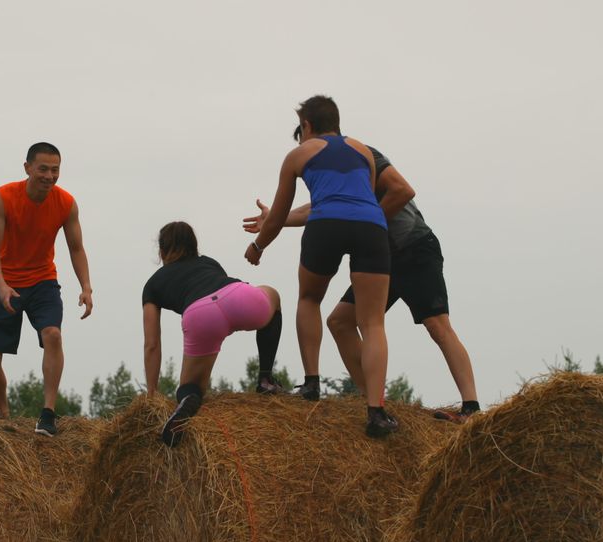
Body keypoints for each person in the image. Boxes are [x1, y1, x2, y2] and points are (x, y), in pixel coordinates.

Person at [244, 128, 481, 421]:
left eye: (304, 142)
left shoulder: (362, 155)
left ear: (310, 134)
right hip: (381, 257)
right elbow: (320, 211)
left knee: (438, 325)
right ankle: (373, 402)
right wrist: (275, 220)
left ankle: (472, 408)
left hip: (413, 246)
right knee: (340, 321)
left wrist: (372, 221)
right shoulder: (333, 174)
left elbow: (403, 190)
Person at [244, 95, 398, 438]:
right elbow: (358, 197)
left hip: (326, 226)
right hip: (372, 227)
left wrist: (258, 246)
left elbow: (280, 215)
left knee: (310, 299)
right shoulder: (363, 152)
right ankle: (376, 411)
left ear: (308, 126)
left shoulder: (298, 155)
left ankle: (311, 383)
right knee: (373, 323)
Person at [0, 142, 93, 436]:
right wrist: (1, 285)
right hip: (2, 280)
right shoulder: (3, 197)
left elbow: (76, 248)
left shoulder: (66, 203)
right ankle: (4, 416)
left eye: (55, 170)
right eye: (43, 169)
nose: (49, 176)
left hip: (42, 280)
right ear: (27, 167)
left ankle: (48, 414)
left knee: (53, 334)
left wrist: (86, 287)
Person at [144, 221, 285, 447]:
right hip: (238, 295)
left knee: (190, 388)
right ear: (194, 246)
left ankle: (188, 399)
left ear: (161, 251)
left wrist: (152, 395)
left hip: (200, 315)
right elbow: (221, 298)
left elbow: (152, 344)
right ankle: (266, 379)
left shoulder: (153, 284)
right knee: (273, 296)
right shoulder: (208, 262)